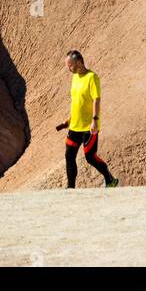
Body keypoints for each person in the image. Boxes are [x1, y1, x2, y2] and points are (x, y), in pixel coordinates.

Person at [55, 49, 119, 188]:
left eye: (70, 65)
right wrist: (69, 120)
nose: (69, 69)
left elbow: (96, 99)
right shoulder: (74, 78)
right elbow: (77, 101)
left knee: (90, 157)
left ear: (79, 62)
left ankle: (110, 180)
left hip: (89, 127)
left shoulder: (92, 77)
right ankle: (70, 187)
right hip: (74, 126)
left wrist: (95, 120)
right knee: (69, 156)